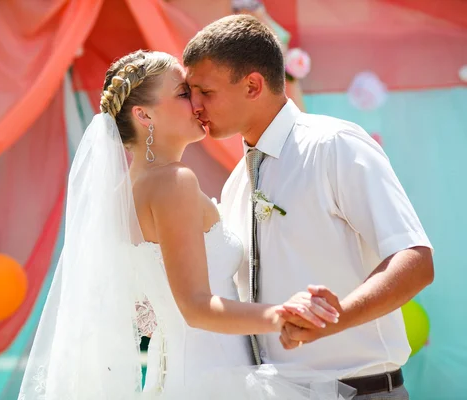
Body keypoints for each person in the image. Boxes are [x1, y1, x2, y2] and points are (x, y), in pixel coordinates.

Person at [18, 50, 354, 399]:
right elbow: (195, 306)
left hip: (176, 377)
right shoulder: (174, 182)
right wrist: (280, 315)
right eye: (183, 93)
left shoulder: (126, 193)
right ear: (144, 114)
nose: (196, 103)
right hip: (212, 378)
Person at [183, 14, 434, 399]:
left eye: (206, 92)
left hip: (362, 391)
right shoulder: (236, 183)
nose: (195, 106)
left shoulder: (335, 145)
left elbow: (415, 260)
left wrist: (336, 318)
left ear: (252, 85)